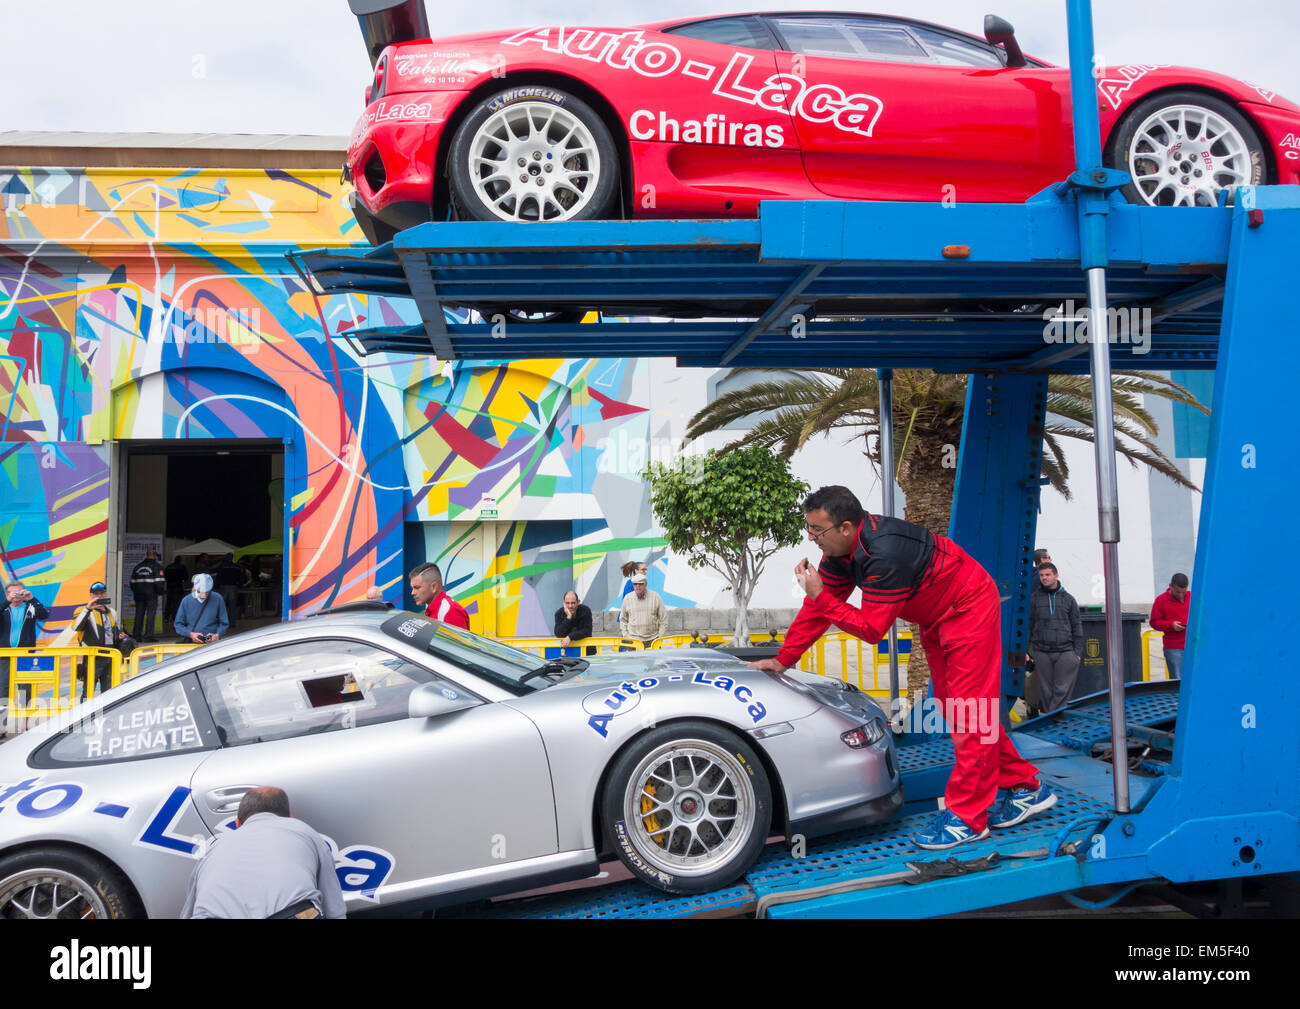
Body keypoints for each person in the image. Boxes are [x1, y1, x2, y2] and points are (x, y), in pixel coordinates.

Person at [750, 485, 1054, 850]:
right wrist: (784, 659)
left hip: (967, 607)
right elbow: (819, 611)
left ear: (845, 527)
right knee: (955, 706)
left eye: (817, 531)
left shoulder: (885, 554)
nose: (812, 539)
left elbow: (871, 629)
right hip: (937, 617)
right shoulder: (842, 554)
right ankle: (1027, 785)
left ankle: (969, 818)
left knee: (971, 713)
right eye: (809, 530)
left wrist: (820, 595)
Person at [181, 786, 346, 919]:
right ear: (290, 818)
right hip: (288, 914)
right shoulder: (303, 830)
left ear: (238, 823)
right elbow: (334, 910)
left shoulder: (213, 849)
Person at [1027, 563, 1084, 713]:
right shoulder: (1033, 599)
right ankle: (1050, 718)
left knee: (1061, 689)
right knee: (1046, 690)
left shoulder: (1069, 599)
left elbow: (1077, 626)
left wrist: (1077, 653)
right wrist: (1027, 651)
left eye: (1047, 575)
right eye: (1041, 575)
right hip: (1041, 651)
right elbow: (1029, 626)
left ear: (1056, 576)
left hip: (1065, 651)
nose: (1044, 578)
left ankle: (1055, 719)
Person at [69, 581, 135, 695]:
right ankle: (86, 712)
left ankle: (107, 712)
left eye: (102, 593)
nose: (99, 596)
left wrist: (120, 636)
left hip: (110, 655)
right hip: (93, 657)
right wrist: (88, 608)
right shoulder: (82, 610)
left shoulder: (112, 612)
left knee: (109, 692)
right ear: (91, 595)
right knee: (88, 692)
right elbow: (76, 627)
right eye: (96, 594)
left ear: (105, 594)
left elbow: (115, 631)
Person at [2, 582, 49, 702]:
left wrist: (32, 599)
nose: (16, 595)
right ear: (7, 594)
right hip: (5, 656)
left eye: (19, 592)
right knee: (3, 691)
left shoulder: (30, 607)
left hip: (26, 655)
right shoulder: (3, 609)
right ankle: (2, 719)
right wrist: (6, 601)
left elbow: (44, 615)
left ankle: (25, 721)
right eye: (12, 592)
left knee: (25, 691)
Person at [1149, 572, 1191, 679]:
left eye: (1184, 592)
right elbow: (1154, 622)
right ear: (1170, 586)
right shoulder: (1161, 600)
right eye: (1177, 592)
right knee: (1177, 680)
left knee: (1195, 679)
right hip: (1174, 648)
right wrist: (1171, 625)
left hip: (1193, 645)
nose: (1181, 595)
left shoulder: (1193, 596)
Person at [408, 563, 470, 629]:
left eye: (417, 587)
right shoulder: (435, 610)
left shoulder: (450, 611)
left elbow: (458, 639)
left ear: (433, 587)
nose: (412, 593)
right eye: (412, 588)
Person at [174, 573, 230, 645]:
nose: (203, 595)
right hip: (192, 644)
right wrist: (190, 634)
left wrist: (217, 635)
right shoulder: (186, 600)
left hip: (212, 644)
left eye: (206, 592)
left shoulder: (218, 598)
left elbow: (224, 623)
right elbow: (178, 625)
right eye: (200, 592)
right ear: (194, 587)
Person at [128, 547, 166, 642]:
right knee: (150, 615)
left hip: (139, 596)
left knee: (139, 614)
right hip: (151, 595)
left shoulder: (137, 567)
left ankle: (137, 635)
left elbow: (132, 583)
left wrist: (137, 592)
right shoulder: (157, 567)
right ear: (154, 555)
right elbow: (159, 583)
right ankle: (148, 636)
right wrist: (160, 592)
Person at [619, 573, 666, 646]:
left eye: (640, 584)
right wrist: (626, 636)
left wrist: (659, 637)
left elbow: (663, 619)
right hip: (633, 641)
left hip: (653, 641)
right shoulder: (627, 598)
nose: (638, 586)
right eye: (635, 584)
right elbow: (623, 620)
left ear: (646, 584)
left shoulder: (655, 597)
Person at [554, 590, 594, 654]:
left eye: (573, 603)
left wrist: (570, 637)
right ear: (564, 603)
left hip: (586, 651)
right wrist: (568, 617)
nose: (570, 606)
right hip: (566, 651)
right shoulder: (559, 613)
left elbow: (587, 631)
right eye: (567, 603)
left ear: (578, 602)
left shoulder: (585, 610)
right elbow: (558, 633)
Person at [215, 554, 245, 631]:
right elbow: (240, 577)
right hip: (233, 587)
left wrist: (216, 586)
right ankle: (232, 623)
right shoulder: (236, 566)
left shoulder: (222, 566)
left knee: (222, 606)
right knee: (232, 607)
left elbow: (218, 577)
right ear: (232, 558)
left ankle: (222, 623)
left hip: (223, 587)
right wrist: (241, 586)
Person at [163, 554, 189, 628]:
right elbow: (186, 577)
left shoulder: (168, 566)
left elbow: (165, 577)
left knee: (168, 602)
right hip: (178, 586)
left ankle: (166, 617)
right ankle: (174, 618)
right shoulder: (182, 567)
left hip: (169, 586)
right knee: (176, 603)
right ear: (180, 560)